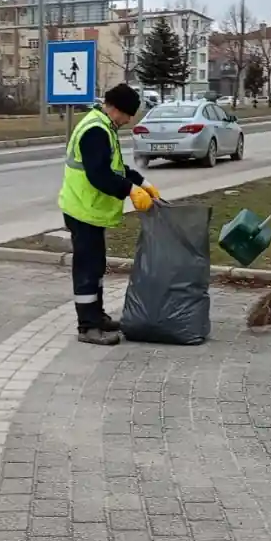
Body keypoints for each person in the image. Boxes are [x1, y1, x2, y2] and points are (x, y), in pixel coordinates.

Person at [59, 83, 160, 346]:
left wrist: (141, 182)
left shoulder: (103, 126)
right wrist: (129, 190)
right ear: (115, 109)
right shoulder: (95, 130)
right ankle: (88, 327)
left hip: (90, 211)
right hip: (83, 210)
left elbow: (113, 166)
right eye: (127, 115)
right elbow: (98, 175)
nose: (128, 120)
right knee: (87, 270)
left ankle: (97, 316)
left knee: (95, 267)